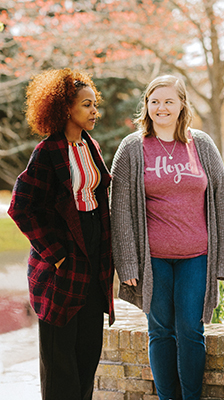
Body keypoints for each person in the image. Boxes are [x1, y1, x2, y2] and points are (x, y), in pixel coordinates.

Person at [110, 75, 224, 400]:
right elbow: (120, 209)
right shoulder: (132, 148)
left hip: (196, 255)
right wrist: (127, 264)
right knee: (160, 331)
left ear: (182, 104)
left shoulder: (202, 145)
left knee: (192, 331)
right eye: (154, 101)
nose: (161, 107)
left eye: (168, 101)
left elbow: (221, 200)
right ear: (147, 106)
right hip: (153, 260)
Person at [8, 69, 114, 400]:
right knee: (59, 360)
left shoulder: (91, 146)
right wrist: (57, 254)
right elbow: (21, 207)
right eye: (87, 105)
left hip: (93, 255)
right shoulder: (47, 151)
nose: (94, 111)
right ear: (65, 109)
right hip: (61, 262)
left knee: (88, 352)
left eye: (94, 104)